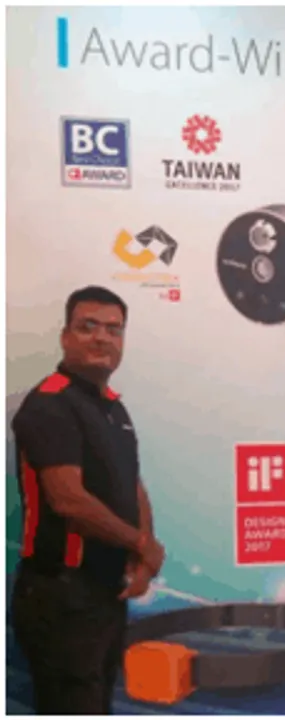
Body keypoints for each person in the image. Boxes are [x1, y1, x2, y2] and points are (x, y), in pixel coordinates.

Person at [10, 285, 166, 715]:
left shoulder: (113, 407)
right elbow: (69, 501)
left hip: (105, 594)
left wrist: (143, 556)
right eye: (88, 327)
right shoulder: (50, 403)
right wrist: (141, 543)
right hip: (61, 597)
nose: (102, 338)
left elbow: (132, 485)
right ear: (65, 337)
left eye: (114, 330)